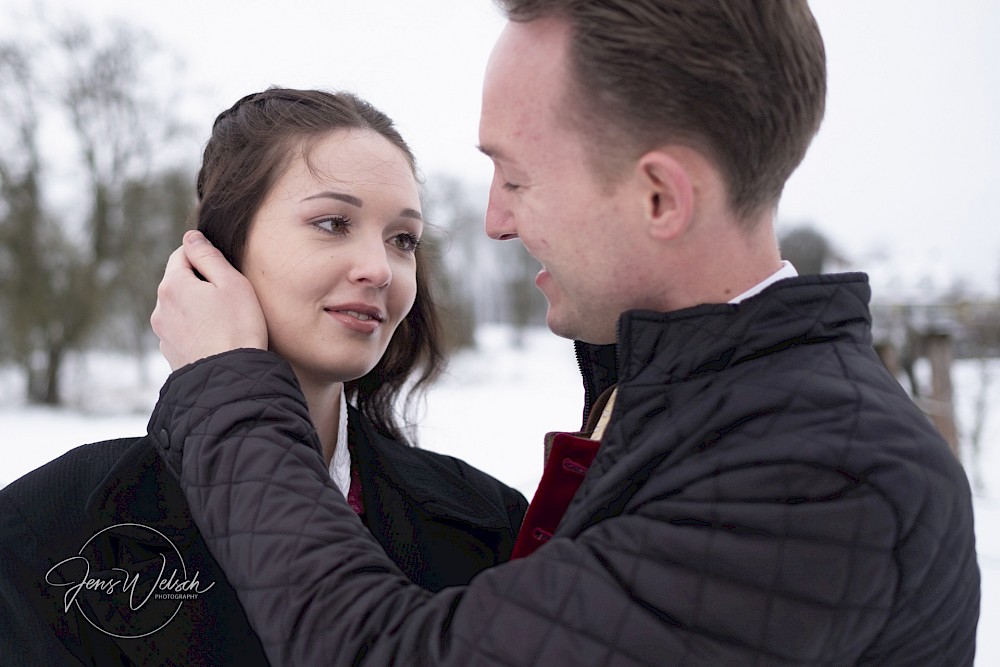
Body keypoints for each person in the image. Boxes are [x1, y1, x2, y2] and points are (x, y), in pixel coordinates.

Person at [150, 2, 981, 665]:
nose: (494, 221)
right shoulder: (703, 411)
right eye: (331, 223)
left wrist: (227, 386)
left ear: (661, 197)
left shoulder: (818, 477)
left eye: (517, 177)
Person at [0, 88, 527, 665]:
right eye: (332, 223)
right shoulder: (52, 526)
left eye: (402, 239)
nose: (380, 269)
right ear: (219, 252)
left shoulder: (484, 524)